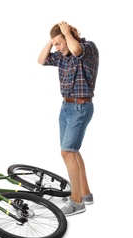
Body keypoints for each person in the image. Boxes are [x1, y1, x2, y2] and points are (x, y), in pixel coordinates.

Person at [38, 21, 99, 216]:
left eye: (59, 43)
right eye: (55, 44)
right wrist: (52, 40)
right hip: (66, 107)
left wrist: (66, 33)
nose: (58, 48)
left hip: (81, 106)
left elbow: (76, 49)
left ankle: (76, 201)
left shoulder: (88, 48)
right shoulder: (61, 57)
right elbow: (40, 60)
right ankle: (85, 193)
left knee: (67, 151)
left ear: (68, 36)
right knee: (72, 151)